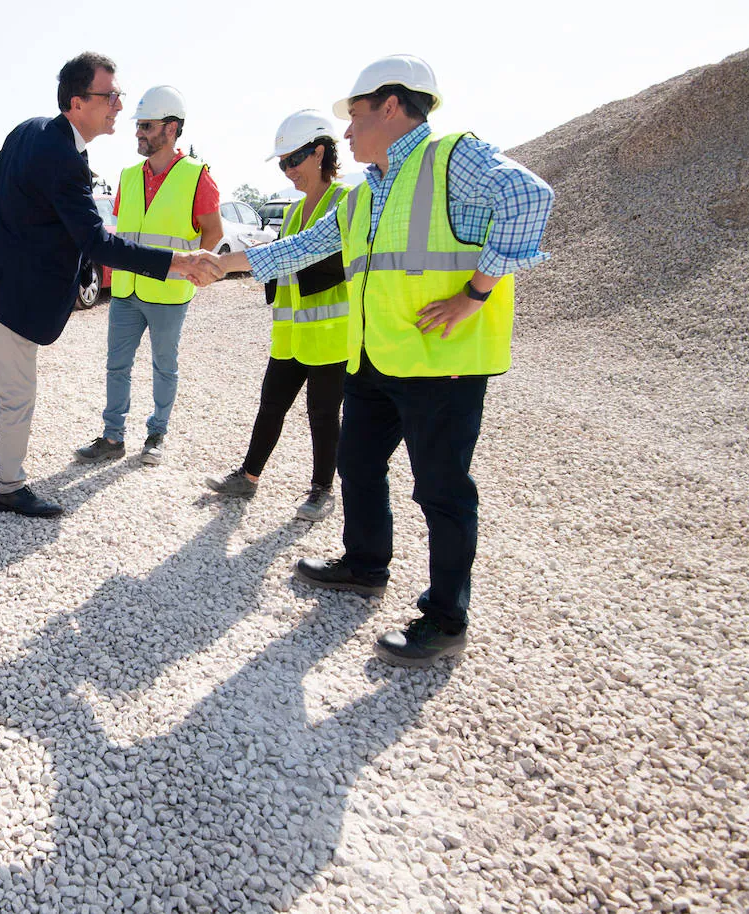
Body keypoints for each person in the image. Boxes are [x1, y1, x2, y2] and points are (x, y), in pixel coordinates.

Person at [214, 55, 554, 667]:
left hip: (441, 363)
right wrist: (221, 264)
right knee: (357, 461)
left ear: (392, 107)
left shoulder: (453, 156)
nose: (345, 133)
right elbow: (303, 248)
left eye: (355, 116)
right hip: (375, 358)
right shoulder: (366, 192)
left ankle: (447, 619)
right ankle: (366, 564)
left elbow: (531, 197)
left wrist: (475, 292)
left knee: (441, 489)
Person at [0, 52, 223, 517]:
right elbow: (97, 243)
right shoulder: (64, 159)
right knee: (18, 390)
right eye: (110, 96)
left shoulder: (30, 129)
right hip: (9, 292)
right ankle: (9, 486)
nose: (119, 105)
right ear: (78, 102)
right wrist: (178, 262)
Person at [204, 111, 349, 521]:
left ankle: (322, 490)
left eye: (292, 161)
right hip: (290, 333)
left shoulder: (344, 202)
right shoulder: (290, 211)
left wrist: (228, 263)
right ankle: (247, 478)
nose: (287, 172)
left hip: (330, 334)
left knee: (322, 415)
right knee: (271, 405)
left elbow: (318, 260)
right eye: (282, 163)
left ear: (319, 153)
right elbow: (282, 264)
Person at [72, 85, 222, 468]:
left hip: (169, 294)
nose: (138, 132)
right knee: (116, 365)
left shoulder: (196, 176)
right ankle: (112, 436)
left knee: (164, 366)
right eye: (138, 125)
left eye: (147, 125)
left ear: (171, 129)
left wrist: (197, 271)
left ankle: (156, 434)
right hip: (125, 289)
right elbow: (126, 233)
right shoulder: (128, 175)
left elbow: (213, 232)